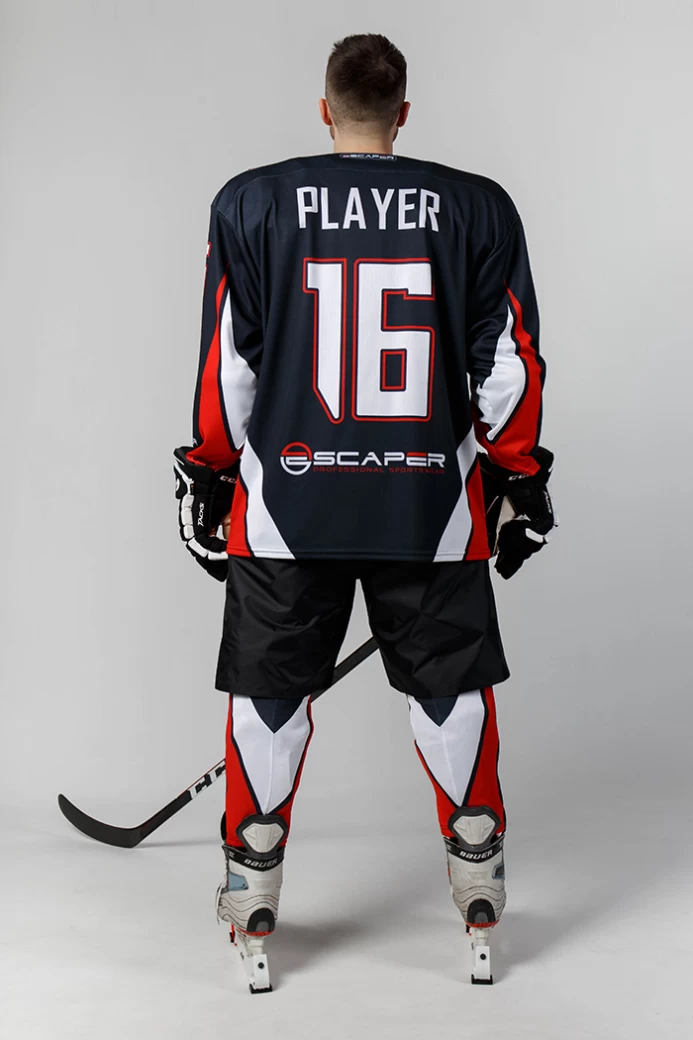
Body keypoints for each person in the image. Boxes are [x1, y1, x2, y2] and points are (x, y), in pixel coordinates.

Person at [173, 32, 556, 992]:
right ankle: (477, 880)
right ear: (402, 113)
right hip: (428, 507)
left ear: (325, 108)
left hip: (285, 507)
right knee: (449, 693)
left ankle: (252, 889)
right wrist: (518, 476)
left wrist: (209, 472)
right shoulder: (476, 206)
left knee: (270, 696)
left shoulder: (251, 201)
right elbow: (506, 365)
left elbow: (230, 363)